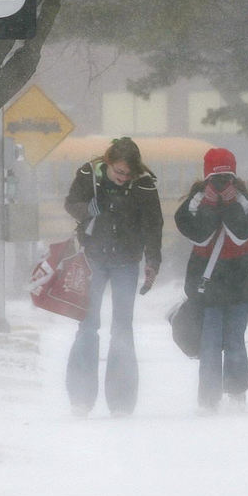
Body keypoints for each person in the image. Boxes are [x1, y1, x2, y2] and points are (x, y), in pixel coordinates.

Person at [63, 137, 163, 417]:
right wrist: (87, 210)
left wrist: (152, 261)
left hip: (127, 262)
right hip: (93, 257)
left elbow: (154, 226)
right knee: (87, 325)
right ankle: (80, 398)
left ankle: (121, 400)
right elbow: (71, 203)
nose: (122, 179)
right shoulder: (88, 175)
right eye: (118, 173)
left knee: (122, 329)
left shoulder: (143, 186)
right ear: (108, 163)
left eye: (128, 175)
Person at [175, 147, 248, 414]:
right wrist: (211, 205)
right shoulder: (193, 203)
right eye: (216, 178)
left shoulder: (247, 203)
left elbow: (241, 234)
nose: (222, 183)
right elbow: (200, 236)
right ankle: (208, 399)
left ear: (234, 176)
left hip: (241, 282)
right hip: (208, 286)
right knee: (210, 341)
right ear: (206, 178)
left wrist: (230, 204)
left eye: (227, 177)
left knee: (235, 338)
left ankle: (237, 394)